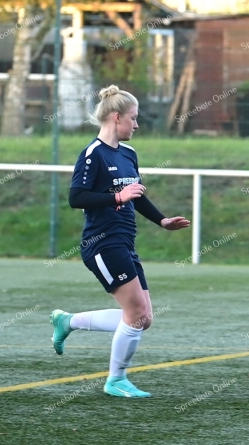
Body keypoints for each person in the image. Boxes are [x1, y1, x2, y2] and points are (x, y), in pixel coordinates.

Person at [49, 85, 190, 398]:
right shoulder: (92, 154)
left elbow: (136, 195)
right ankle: (115, 380)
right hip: (102, 244)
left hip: (125, 242)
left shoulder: (128, 154)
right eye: (133, 118)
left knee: (143, 318)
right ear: (116, 118)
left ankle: (68, 321)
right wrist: (117, 196)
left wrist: (163, 220)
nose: (136, 125)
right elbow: (76, 197)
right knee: (136, 315)